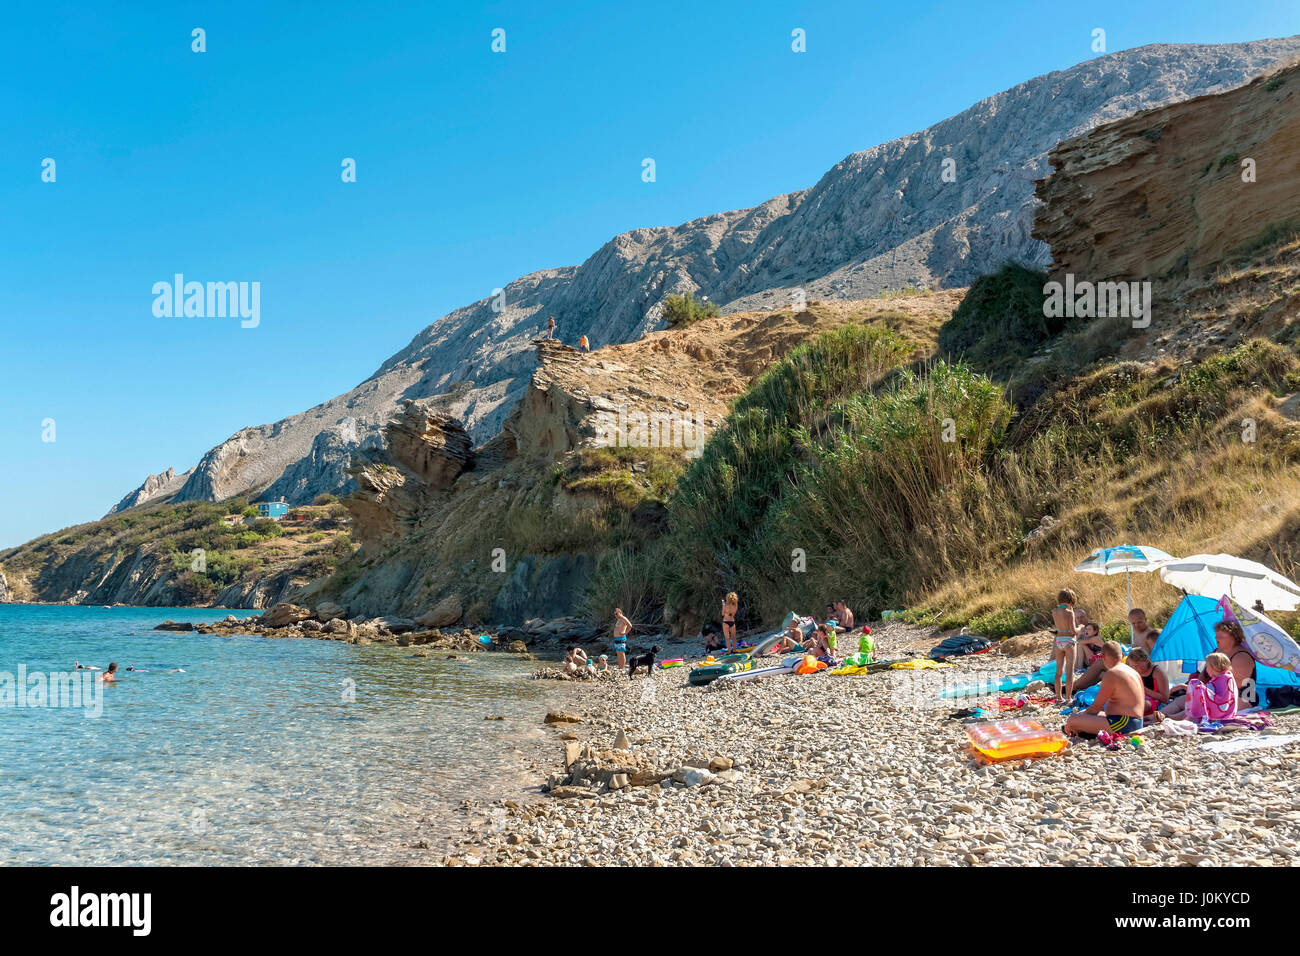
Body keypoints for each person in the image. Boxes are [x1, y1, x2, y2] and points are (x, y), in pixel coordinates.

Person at [1161, 619, 1257, 717]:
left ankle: (1171, 718)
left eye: (1221, 636)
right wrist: (1197, 689)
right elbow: (1204, 675)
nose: (1216, 638)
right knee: (1182, 700)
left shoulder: (1242, 656)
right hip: (1214, 694)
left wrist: (1204, 692)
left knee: (1200, 704)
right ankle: (1156, 716)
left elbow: (1232, 685)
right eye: (1216, 635)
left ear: (1234, 638)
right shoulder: (1217, 652)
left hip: (1241, 698)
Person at [1063, 642, 1145, 737]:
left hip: (1124, 724)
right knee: (1081, 714)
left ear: (1103, 657)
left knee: (1072, 720)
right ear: (1121, 655)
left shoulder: (1112, 673)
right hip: (1135, 721)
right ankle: (1083, 730)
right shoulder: (1132, 671)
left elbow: (1095, 707)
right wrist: (1083, 715)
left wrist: (1075, 721)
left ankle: (1076, 729)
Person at [1185, 652, 1237, 725]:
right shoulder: (1222, 677)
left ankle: (1193, 716)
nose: (1206, 670)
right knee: (1196, 686)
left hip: (1221, 711)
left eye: (1207, 666)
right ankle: (1189, 715)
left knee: (1194, 683)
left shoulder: (1225, 678)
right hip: (1222, 709)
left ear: (1214, 667)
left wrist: (1196, 687)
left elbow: (1220, 699)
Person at [1125, 646, 1169, 716]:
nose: (1137, 669)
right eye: (1134, 666)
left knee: (1144, 705)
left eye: (1140, 666)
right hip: (1137, 698)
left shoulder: (1157, 672)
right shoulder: (1133, 670)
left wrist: (1144, 689)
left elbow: (1165, 698)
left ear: (1147, 661)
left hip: (1153, 702)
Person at [1051, 589, 1079, 700]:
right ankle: (1068, 697)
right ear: (1072, 600)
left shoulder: (1054, 611)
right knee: (1069, 671)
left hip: (1059, 640)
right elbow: (1072, 631)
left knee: (1058, 671)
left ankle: (1058, 697)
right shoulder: (1069, 612)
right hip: (1069, 640)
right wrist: (1080, 628)